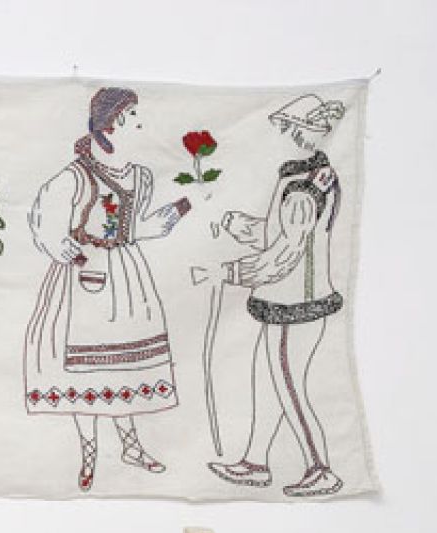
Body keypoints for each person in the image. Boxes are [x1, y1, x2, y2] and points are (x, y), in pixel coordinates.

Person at [24, 87, 187, 492]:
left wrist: (170, 217)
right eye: (134, 118)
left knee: (123, 367)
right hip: (86, 281)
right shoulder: (76, 176)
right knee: (88, 371)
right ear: (111, 125)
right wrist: (59, 245)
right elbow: (44, 219)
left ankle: (130, 446)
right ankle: (89, 453)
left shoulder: (140, 176)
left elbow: (134, 227)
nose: (141, 125)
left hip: (128, 279)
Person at [207, 94, 347, 498]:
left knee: (288, 387)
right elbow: (280, 233)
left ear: (316, 132)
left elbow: (285, 253)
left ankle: (320, 468)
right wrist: (240, 225)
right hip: (288, 301)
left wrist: (231, 272)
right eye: (285, 127)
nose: (286, 134)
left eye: (294, 127)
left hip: (294, 305)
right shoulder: (302, 179)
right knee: (268, 383)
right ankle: (255, 462)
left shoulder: (305, 187)